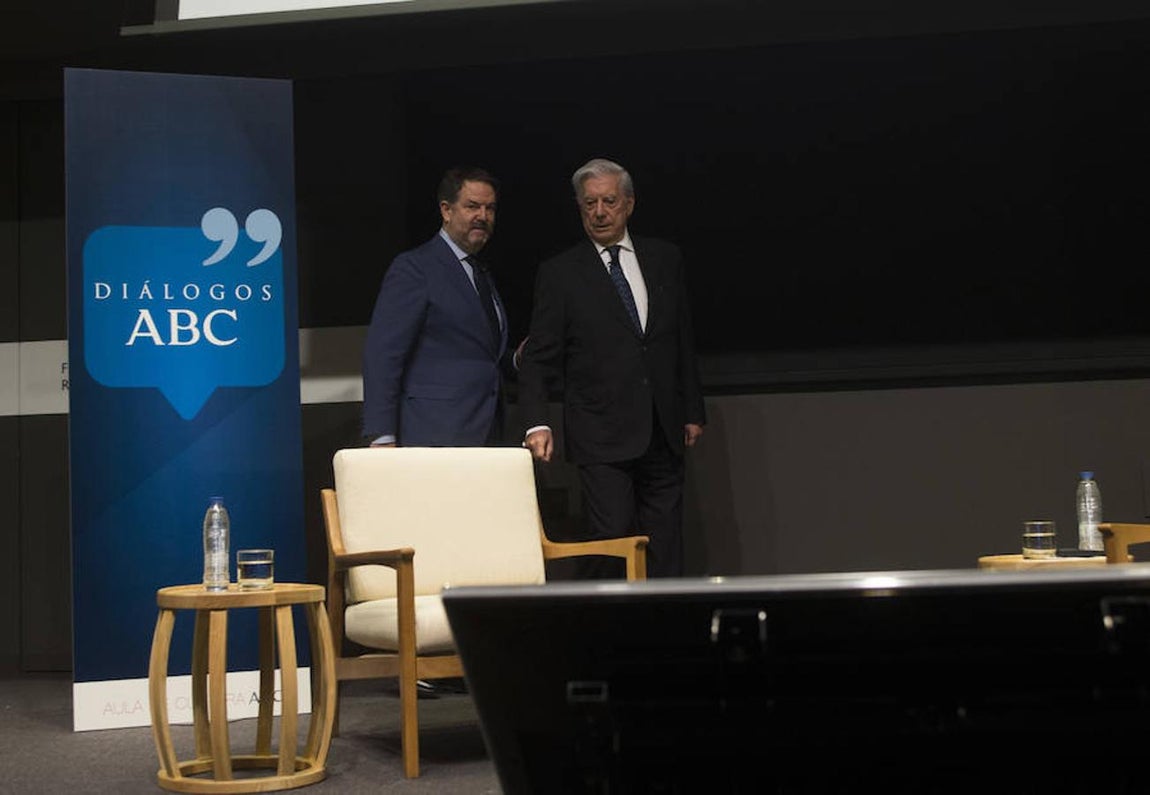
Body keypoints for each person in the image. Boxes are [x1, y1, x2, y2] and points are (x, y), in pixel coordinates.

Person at [518, 158, 705, 578]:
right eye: (589, 204)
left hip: (662, 426)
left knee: (666, 540)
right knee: (612, 540)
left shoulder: (664, 258)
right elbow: (538, 355)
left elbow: (681, 338)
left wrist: (692, 408)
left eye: (608, 201)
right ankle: (614, 634)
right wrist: (536, 422)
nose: (599, 212)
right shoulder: (561, 273)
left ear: (629, 204)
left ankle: (667, 630)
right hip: (600, 433)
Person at [362, 166, 515, 447]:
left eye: (490, 208)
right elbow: (383, 354)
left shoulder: (480, 272)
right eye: (472, 207)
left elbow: (478, 352)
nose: (483, 216)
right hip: (434, 433)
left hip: (487, 432)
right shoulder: (415, 268)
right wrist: (382, 435)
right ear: (446, 210)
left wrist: (516, 360)